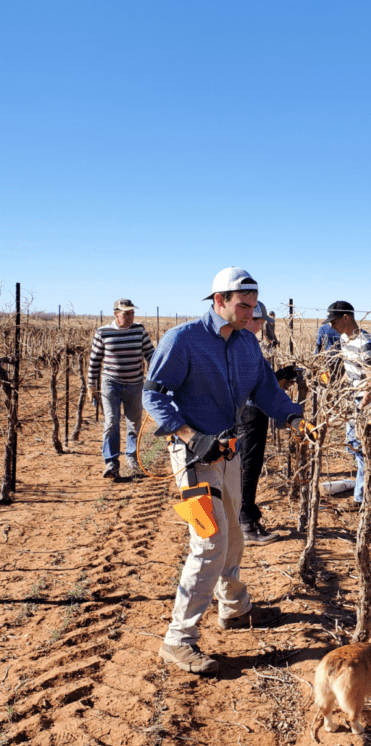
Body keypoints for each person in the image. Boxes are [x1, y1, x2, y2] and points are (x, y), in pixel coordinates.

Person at [143, 267, 308, 675]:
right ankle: (178, 640)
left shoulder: (246, 343)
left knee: (234, 535)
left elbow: (266, 388)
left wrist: (293, 417)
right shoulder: (183, 340)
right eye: (243, 305)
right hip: (193, 459)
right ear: (219, 300)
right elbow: (152, 393)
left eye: (254, 306)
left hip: (227, 454)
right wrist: (188, 434)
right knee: (209, 545)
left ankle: (234, 608)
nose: (251, 313)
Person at [236, 301, 296, 546]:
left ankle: (246, 518)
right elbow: (249, 385)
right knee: (248, 468)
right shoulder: (240, 344)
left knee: (250, 466)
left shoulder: (246, 343)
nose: (262, 326)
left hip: (252, 411)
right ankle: (246, 525)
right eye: (259, 321)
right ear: (248, 319)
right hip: (249, 413)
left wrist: (277, 378)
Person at [326, 300, 371, 504]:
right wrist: (339, 387)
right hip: (356, 399)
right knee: (353, 445)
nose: (331, 325)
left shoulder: (366, 343)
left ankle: (362, 497)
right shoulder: (345, 339)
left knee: (363, 449)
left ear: (346, 317)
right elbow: (351, 369)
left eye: (334, 321)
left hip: (370, 401)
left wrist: (362, 406)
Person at [88, 299, 154, 478]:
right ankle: (111, 463)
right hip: (111, 383)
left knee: (134, 423)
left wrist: (154, 378)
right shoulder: (103, 332)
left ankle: (132, 458)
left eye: (132, 313)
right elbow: (94, 361)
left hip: (135, 383)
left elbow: (150, 354)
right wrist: (91, 385)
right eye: (125, 313)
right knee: (111, 421)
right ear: (116, 314)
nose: (130, 316)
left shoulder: (139, 330)